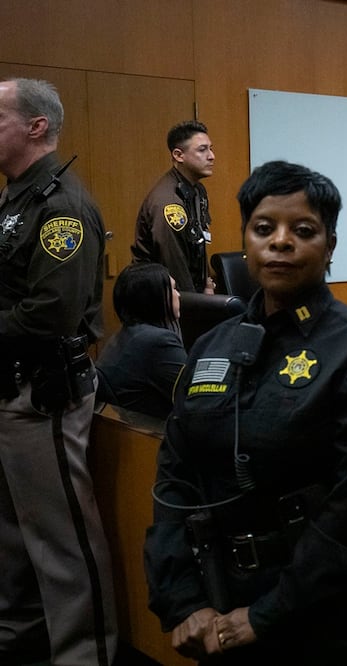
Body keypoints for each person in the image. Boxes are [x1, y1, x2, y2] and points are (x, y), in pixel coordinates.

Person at [144, 160, 347, 665]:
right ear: (245, 240)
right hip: (225, 598)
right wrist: (182, 599)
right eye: (263, 228)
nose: (281, 242)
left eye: (303, 230)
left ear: (329, 246)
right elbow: (175, 476)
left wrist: (268, 614)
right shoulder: (212, 345)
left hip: (332, 618)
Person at [0, 78, 117, 665]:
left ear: (35, 126)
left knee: (61, 539)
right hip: (10, 387)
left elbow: (51, 313)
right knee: (15, 539)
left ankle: (83, 655)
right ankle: (22, 642)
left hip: (42, 392)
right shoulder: (16, 198)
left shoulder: (61, 205)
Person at [132, 120, 216, 293]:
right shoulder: (169, 203)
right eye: (202, 150)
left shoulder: (196, 189)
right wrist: (196, 306)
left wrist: (207, 283)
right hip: (161, 297)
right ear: (179, 155)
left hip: (188, 291)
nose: (211, 156)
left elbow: (199, 240)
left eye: (210, 148)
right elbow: (174, 264)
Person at [96, 262, 186, 422]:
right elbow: (195, 397)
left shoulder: (126, 335)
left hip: (126, 433)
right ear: (154, 297)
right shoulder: (158, 343)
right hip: (153, 436)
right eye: (173, 288)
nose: (178, 295)